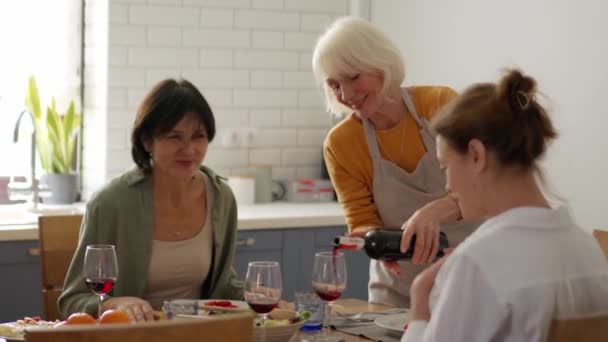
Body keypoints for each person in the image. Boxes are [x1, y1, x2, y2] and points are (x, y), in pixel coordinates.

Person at [403, 69, 608, 341]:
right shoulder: (590, 252)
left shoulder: (477, 263)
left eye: (446, 167)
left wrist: (419, 309)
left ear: (476, 155)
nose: (447, 185)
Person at [312, 16, 478, 307]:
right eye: (334, 85)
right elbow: (362, 219)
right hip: (397, 293)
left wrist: (435, 211)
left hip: (472, 278)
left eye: (353, 77)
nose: (346, 94)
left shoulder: (440, 104)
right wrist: (375, 244)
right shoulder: (341, 144)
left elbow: (485, 185)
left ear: (380, 64)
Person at [58, 79, 242, 322]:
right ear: (147, 141)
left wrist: (259, 297)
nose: (189, 149)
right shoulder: (110, 203)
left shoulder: (221, 197)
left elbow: (224, 288)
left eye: (198, 136)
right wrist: (114, 303)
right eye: (174, 137)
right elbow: (73, 301)